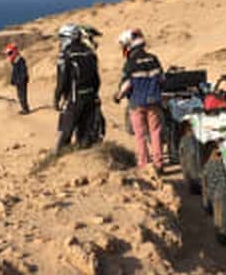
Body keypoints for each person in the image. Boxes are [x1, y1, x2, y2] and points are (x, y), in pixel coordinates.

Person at [114, 28, 164, 172]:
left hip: (137, 104)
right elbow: (162, 79)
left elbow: (126, 85)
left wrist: (118, 96)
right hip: (154, 102)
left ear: (128, 45)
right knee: (155, 132)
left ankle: (144, 164)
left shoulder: (130, 63)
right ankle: (159, 164)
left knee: (140, 135)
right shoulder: (154, 58)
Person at [54, 24, 102, 154]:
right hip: (90, 97)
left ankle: (60, 162)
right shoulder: (89, 52)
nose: (61, 41)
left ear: (69, 37)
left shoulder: (66, 55)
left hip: (75, 98)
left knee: (66, 131)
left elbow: (62, 80)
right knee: (85, 133)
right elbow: (97, 79)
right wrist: (95, 95)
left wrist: (57, 98)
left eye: (62, 37)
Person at [6, 43, 30, 114]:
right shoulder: (15, 61)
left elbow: (23, 71)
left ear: (14, 52)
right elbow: (14, 72)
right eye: (8, 53)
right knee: (19, 95)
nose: (9, 55)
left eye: (10, 53)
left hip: (22, 81)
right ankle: (24, 108)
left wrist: (22, 79)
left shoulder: (20, 60)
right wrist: (13, 80)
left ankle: (25, 109)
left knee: (22, 95)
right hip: (18, 81)